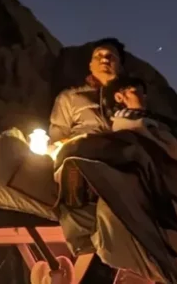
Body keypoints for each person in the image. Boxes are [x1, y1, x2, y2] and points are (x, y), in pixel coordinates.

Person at [49, 38, 127, 260]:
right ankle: (86, 248)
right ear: (90, 65)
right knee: (75, 167)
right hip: (81, 156)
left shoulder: (131, 97)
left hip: (122, 157)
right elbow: (55, 141)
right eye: (99, 56)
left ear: (120, 65)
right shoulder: (70, 98)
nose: (105, 59)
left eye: (111, 56)